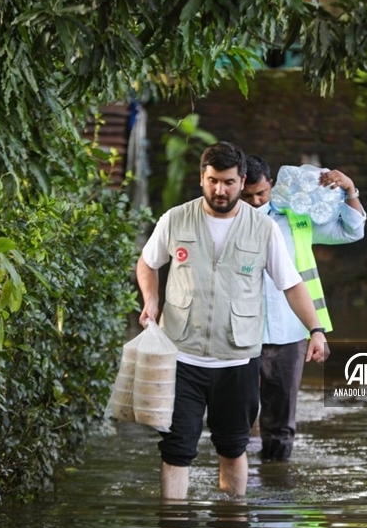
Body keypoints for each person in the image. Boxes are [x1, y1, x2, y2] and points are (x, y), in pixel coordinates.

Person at [136, 141, 329, 500]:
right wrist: (151, 300)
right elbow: (148, 263)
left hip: (237, 360)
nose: (219, 190)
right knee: (177, 448)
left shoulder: (263, 229)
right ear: (201, 178)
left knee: (233, 447)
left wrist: (315, 329)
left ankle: (232, 527)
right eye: (212, 181)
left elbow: (291, 284)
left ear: (241, 181)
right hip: (182, 357)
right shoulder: (175, 219)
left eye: (227, 182)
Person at [242, 154, 366, 461]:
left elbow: (352, 231)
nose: (256, 202)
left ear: (272, 185)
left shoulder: (297, 217)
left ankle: (276, 487)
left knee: (281, 422)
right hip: (240, 332)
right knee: (236, 416)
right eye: (248, 196)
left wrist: (351, 191)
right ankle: (238, 487)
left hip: (289, 330)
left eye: (262, 193)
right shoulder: (226, 222)